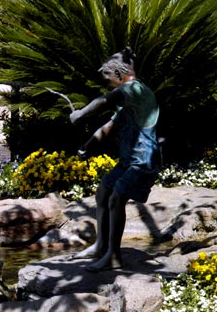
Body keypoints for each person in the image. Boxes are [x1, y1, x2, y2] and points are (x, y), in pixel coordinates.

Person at [68, 47, 161, 271]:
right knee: (103, 192)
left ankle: (114, 256)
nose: (108, 85)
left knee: (116, 199)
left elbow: (104, 100)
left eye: (108, 79)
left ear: (119, 74)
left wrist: (80, 114)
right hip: (128, 161)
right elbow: (108, 127)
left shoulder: (136, 90)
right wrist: (88, 146)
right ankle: (101, 245)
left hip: (143, 161)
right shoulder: (128, 102)